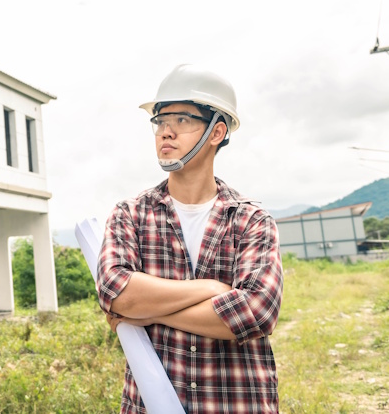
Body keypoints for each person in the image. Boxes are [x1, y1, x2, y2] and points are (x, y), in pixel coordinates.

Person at [96, 64, 283, 414]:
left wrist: (146, 313)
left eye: (181, 119)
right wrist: (210, 289)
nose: (166, 132)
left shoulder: (251, 219)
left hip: (236, 403)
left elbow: (256, 312)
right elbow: (115, 291)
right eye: (160, 121)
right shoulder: (130, 214)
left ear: (217, 132)